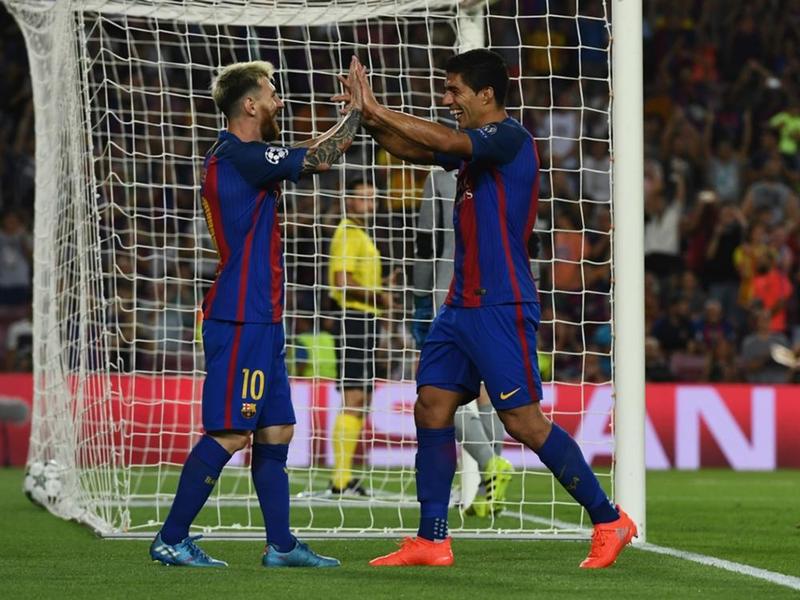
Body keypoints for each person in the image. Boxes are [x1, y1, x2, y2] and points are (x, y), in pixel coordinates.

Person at [346, 49, 636, 569]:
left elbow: (440, 138)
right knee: (431, 405)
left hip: (502, 303)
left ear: (486, 95)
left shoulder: (508, 139)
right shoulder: (473, 151)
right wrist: (366, 120)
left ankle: (609, 519)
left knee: (523, 422)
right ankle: (432, 538)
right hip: (460, 306)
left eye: (454, 90)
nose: (446, 98)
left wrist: (380, 108)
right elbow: (413, 149)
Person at [149, 57, 363, 568]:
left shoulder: (241, 156)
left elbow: (307, 153)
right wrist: (358, 112)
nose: (279, 101)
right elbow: (320, 157)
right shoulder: (240, 156)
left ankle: (282, 545)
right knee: (229, 431)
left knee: (276, 430)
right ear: (250, 104)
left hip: (261, 317)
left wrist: (350, 118)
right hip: (241, 316)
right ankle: (171, 538)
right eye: (271, 93)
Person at [413, 166, 513, 517]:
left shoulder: (439, 177)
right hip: (502, 293)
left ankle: (490, 465)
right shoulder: (509, 169)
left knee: (436, 391)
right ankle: (492, 492)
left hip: (451, 292)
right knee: (488, 386)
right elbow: (531, 236)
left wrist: (420, 298)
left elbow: (426, 241)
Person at [327, 178, 394, 495]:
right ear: (349, 201)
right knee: (354, 397)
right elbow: (342, 281)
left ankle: (345, 477)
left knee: (362, 398)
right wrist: (378, 297)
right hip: (353, 319)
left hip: (364, 321)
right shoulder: (348, 233)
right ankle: (340, 480)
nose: (371, 203)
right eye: (364, 198)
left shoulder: (361, 235)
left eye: (374, 198)